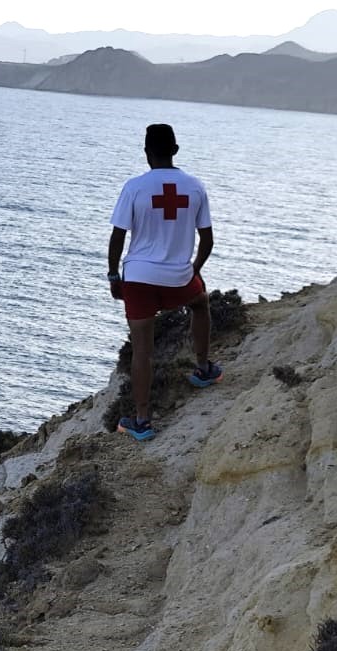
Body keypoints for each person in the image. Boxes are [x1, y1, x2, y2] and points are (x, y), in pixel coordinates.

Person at [107, 124, 223, 441]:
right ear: (175, 150)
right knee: (201, 304)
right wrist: (194, 270)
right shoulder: (194, 187)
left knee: (142, 350)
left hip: (139, 278)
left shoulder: (134, 188)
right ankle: (203, 369)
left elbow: (117, 236)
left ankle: (142, 421)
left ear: (147, 153)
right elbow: (207, 239)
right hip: (178, 277)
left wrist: (114, 275)